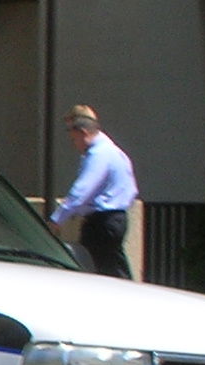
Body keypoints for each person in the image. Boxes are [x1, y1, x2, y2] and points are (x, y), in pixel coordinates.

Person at [49, 105, 138, 278]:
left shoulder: (99, 155)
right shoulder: (114, 152)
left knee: (97, 273)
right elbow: (132, 189)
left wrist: (57, 219)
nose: (74, 144)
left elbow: (81, 191)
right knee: (114, 270)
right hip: (115, 219)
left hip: (102, 222)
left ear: (83, 132)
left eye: (74, 139)